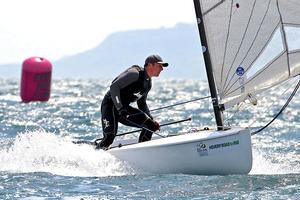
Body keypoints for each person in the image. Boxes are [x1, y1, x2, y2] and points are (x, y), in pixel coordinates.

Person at [96, 54, 169, 150]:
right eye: (159, 66)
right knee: (109, 137)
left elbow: (142, 104)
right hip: (110, 105)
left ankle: (144, 152)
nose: (162, 69)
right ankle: (94, 154)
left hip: (123, 109)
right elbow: (114, 87)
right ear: (150, 65)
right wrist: (120, 108)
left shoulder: (148, 84)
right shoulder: (135, 74)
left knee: (150, 126)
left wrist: (152, 120)